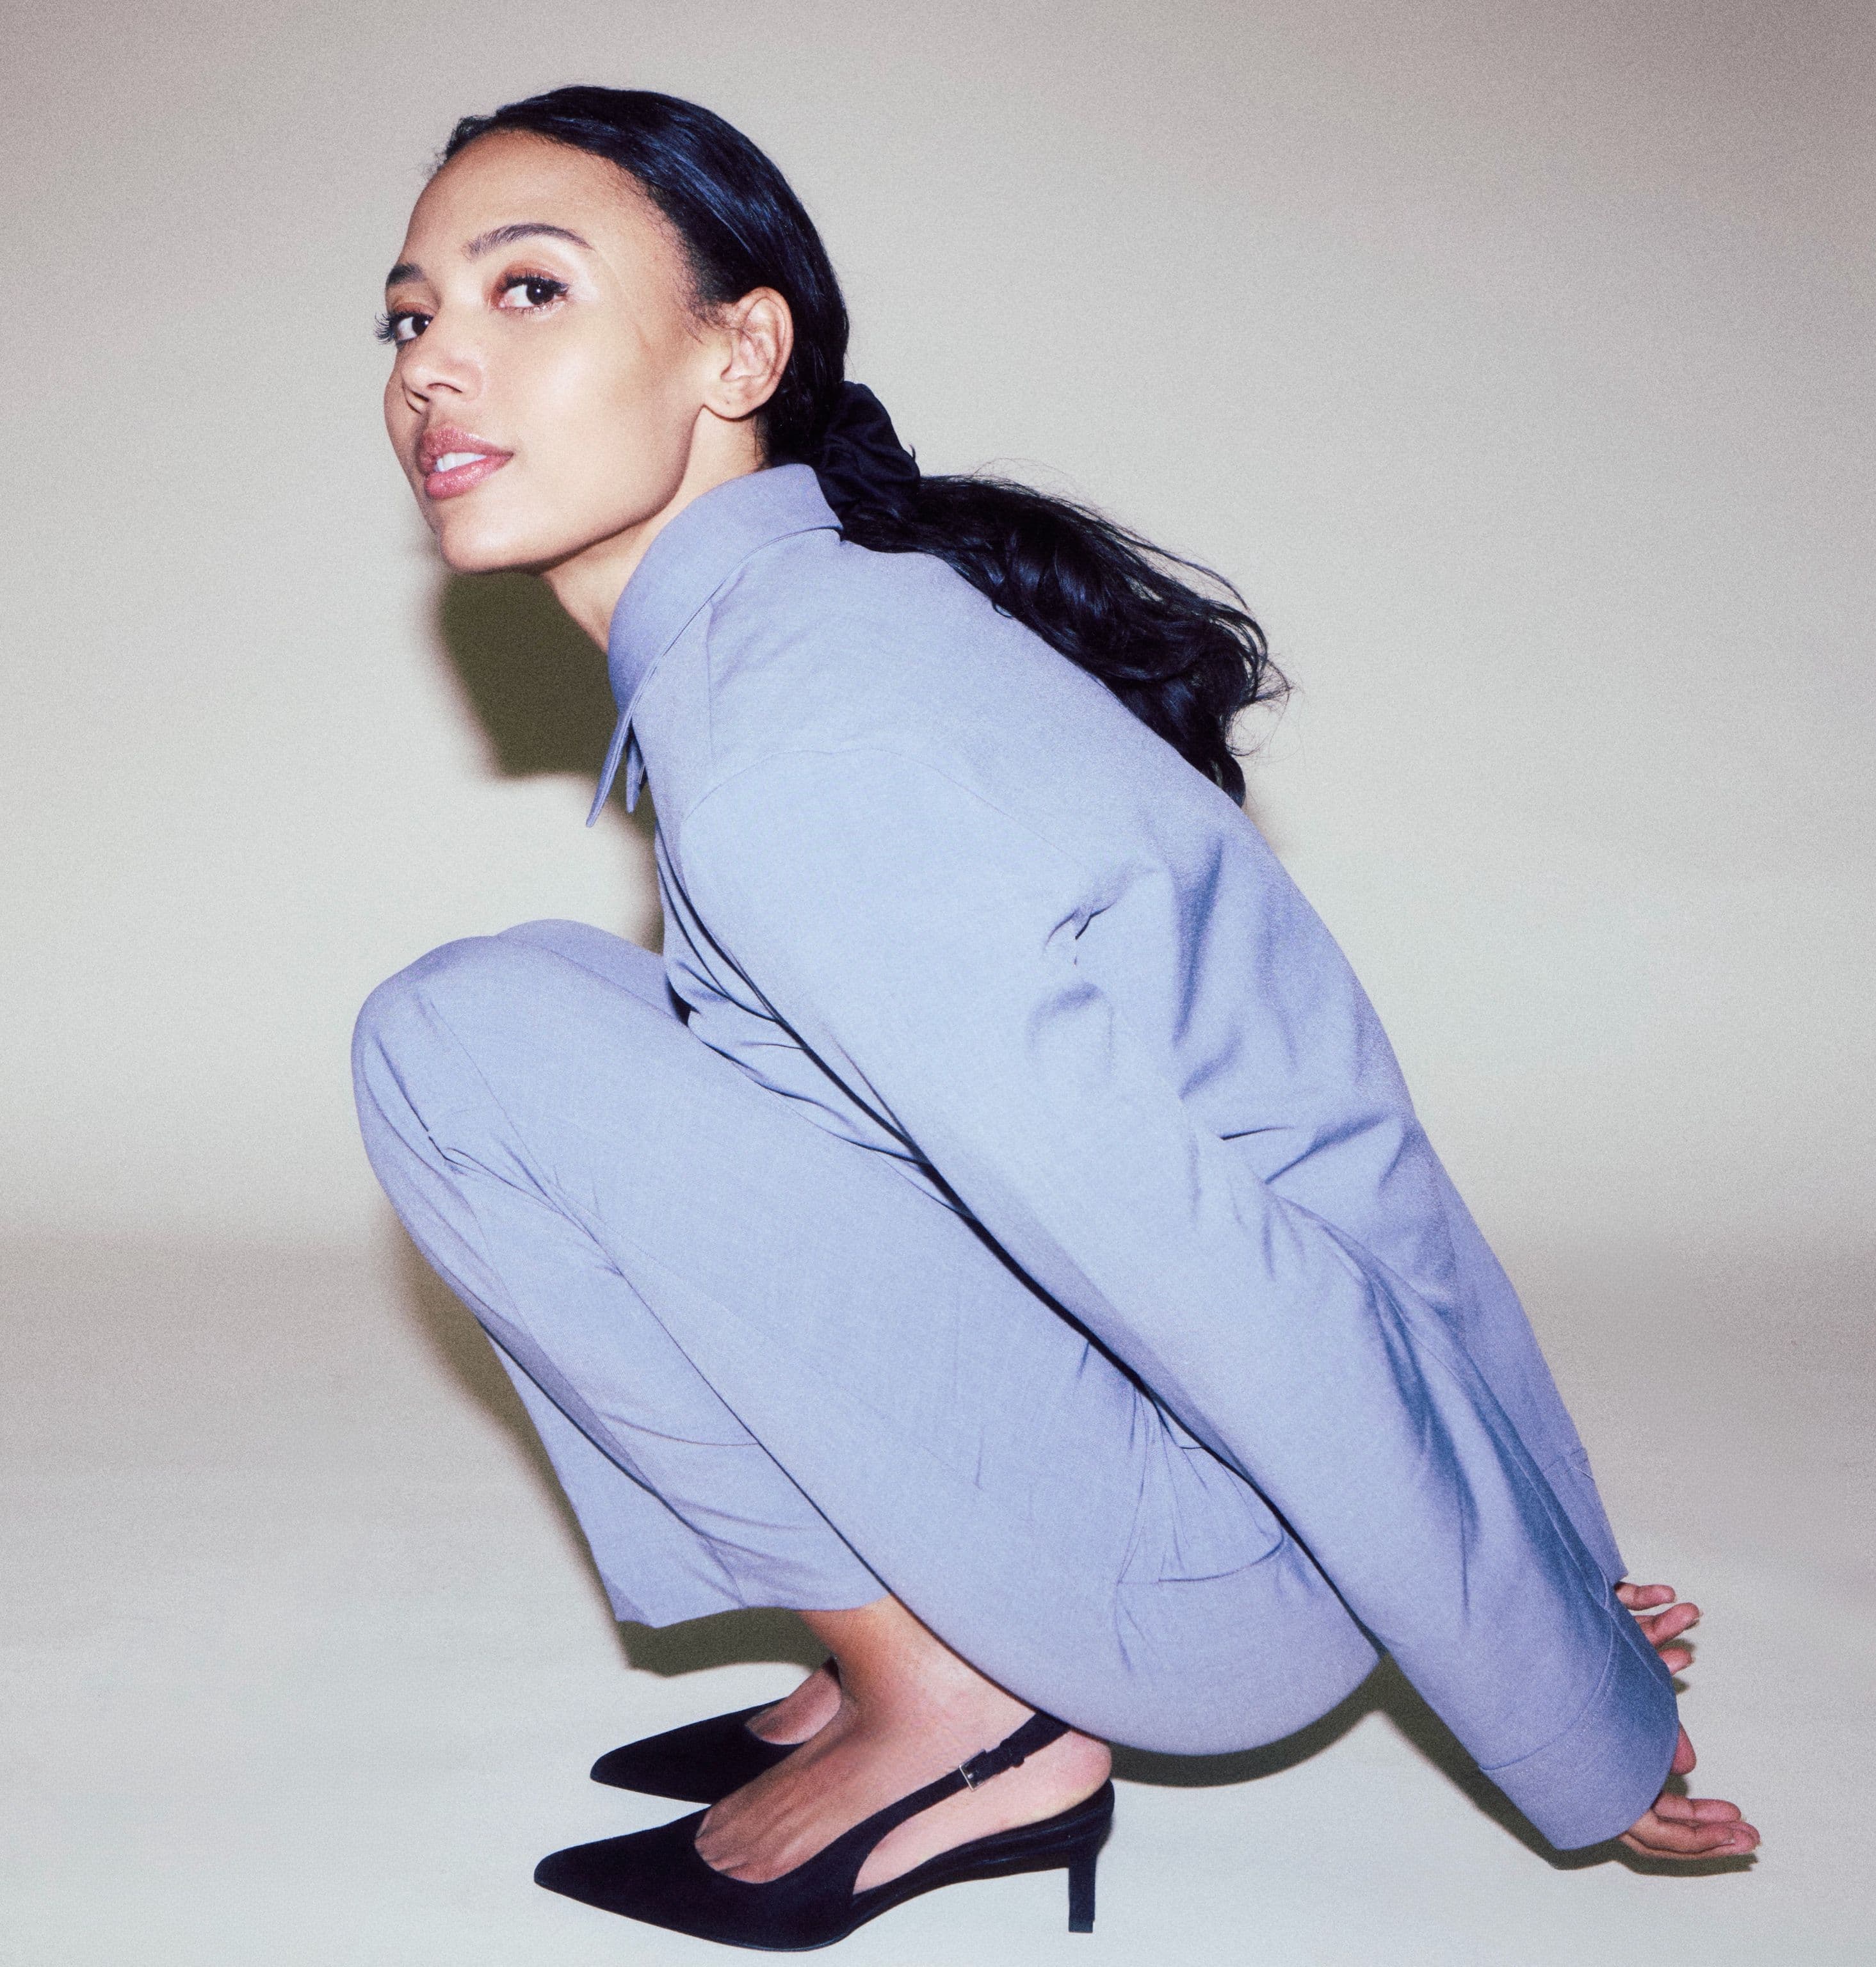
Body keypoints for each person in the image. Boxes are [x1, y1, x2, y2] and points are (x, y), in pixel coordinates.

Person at [351, 85, 1758, 1950]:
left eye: (528, 290)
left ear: (739, 353)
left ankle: (961, 1712)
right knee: (567, 1010)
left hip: (1202, 1574)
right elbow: (1323, 1136)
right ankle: (903, 1647)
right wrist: (1556, 1556)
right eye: (410, 314)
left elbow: (1208, 1250)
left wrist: (1567, 1705)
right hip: (1209, 1493)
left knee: (461, 1041)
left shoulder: (804, 738)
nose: (434, 365)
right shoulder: (816, 640)